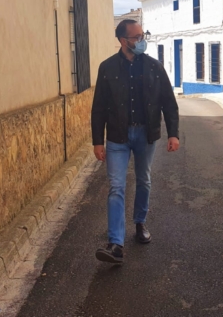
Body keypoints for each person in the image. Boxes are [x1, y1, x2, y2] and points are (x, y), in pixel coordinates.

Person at [91, 19, 180, 264]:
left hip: (145, 134)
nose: (141, 41)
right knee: (116, 187)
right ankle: (115, 243)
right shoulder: (107, 68)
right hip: (117, 136)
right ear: (122, 40)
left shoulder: (154, 67)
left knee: (144, 180)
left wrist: (173, 133)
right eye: (136, 37)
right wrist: (97, 140)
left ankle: (140, 223)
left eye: (143, 36)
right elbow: (99, 107)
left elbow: (168, 103)